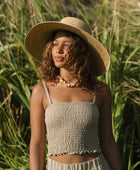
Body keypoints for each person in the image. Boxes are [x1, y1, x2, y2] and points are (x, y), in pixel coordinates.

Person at [25, 17, 123, 170]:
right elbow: (37, 144)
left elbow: (108, 142)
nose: (58, 50)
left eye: (66, 45)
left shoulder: (100, 91)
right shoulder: (41, 91)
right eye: (55, 44)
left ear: (81, 49)